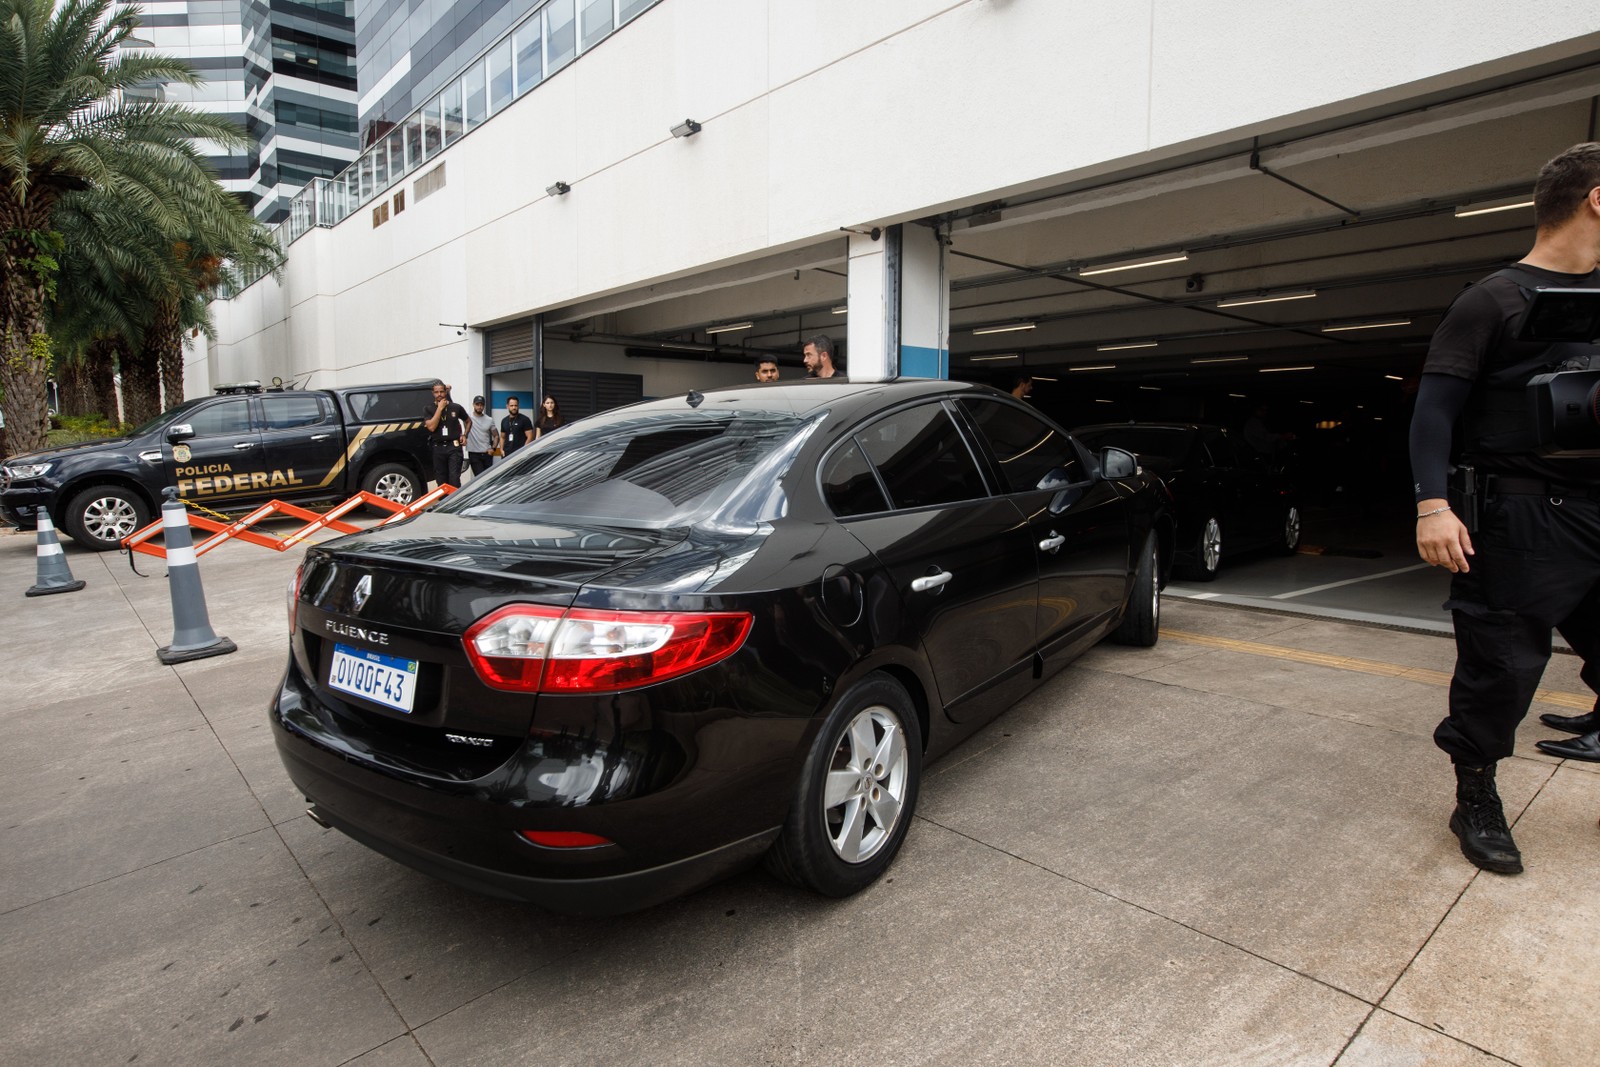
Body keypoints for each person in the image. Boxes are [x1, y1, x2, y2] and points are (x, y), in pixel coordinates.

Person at [1410, 142, 1600, 876]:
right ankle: (1476, 795)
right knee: (1499, 670)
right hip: (1521, 515)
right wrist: (1433, 505)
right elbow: (1434, 412)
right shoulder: (1493, 299)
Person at [423, 380, 469, 488]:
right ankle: (444, 503)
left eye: (442, 392)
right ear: (433, 393)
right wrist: (439, 408)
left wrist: (465, 434)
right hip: (438, 448)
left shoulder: (455, 407)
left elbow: (468, 421)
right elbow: (431, 427)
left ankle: (456, 503)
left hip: (454, 447)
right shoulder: (428, 409)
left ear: (445, 392)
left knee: (454, 480)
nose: (439, 395)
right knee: (441, 481)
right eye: (436, 392)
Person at [465, 395, 500, 476]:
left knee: (488, 478)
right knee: (479, 477)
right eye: (477, 404)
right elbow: (454, 410)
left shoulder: (489, 420)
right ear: (473, 405)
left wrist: (493, 449)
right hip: (474, 453)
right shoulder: (467, 418)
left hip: (486, 453)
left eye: (481, 405)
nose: (479, 407)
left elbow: (496, 436)